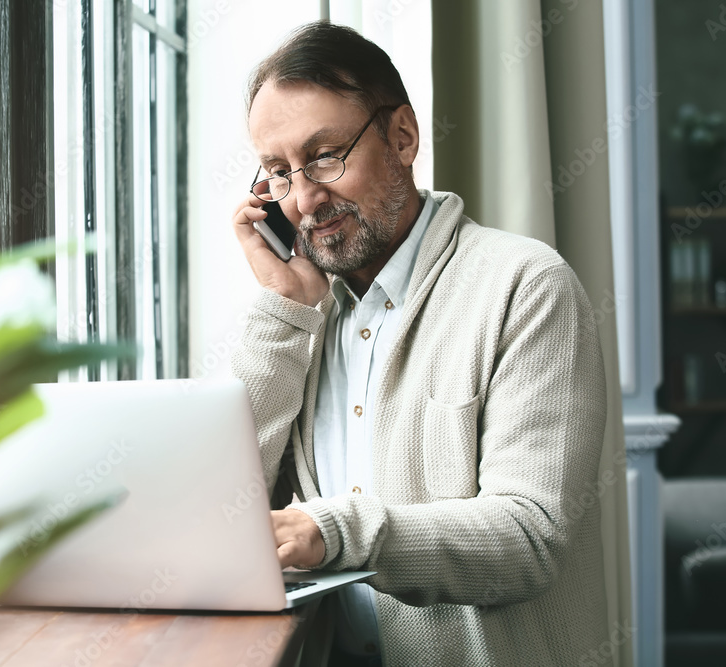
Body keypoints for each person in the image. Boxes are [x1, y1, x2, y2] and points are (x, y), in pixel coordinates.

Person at [230, 21, 609, 667]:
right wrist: (283, 312)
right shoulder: (305, 316)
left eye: (325, 155)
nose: (306, 199)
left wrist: (334, 532)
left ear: (402, 136)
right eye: (278, 172)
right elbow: (229, 500)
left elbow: (530, 535)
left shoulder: (526, 285)